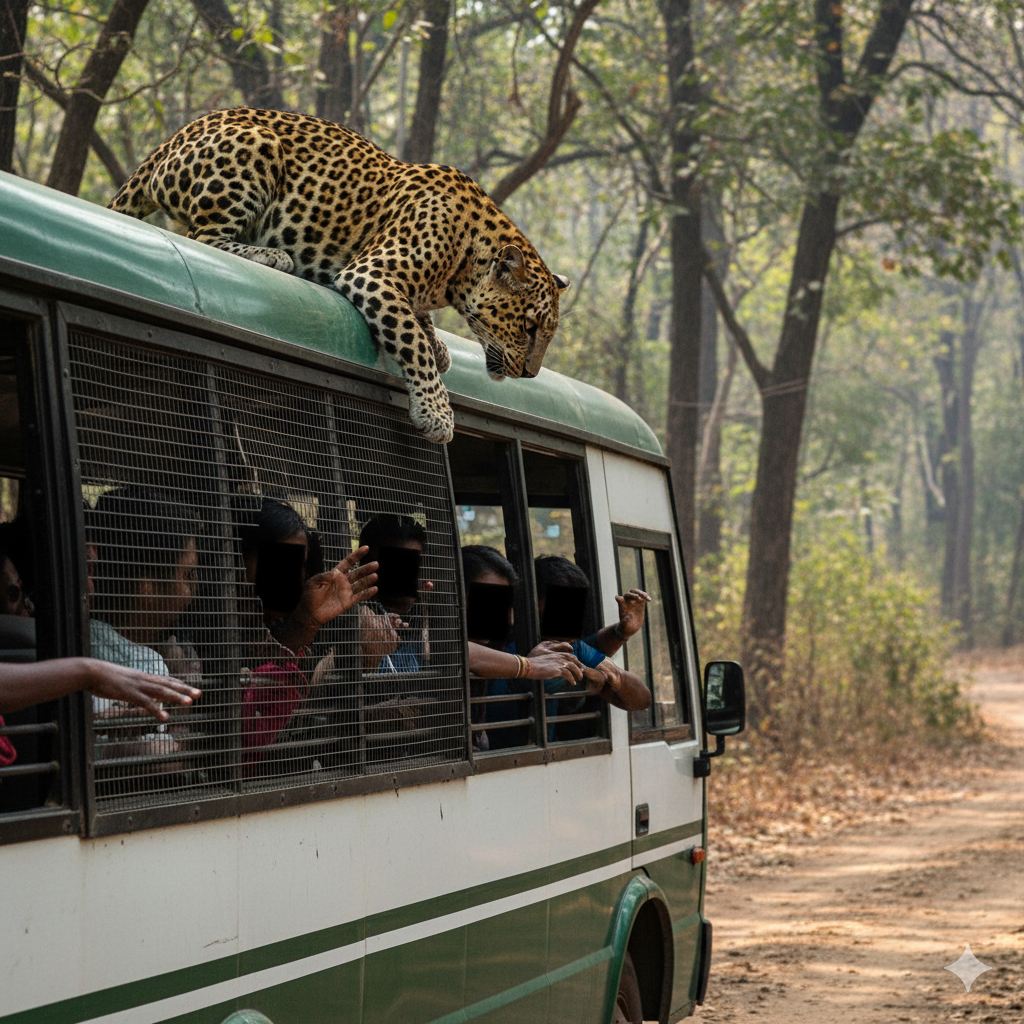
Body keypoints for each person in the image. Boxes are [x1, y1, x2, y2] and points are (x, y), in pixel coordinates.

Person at [235, 497, 379, 769]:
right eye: (276, 561)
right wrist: (304, 625)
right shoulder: (206, 635)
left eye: (295, 564)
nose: (290, 576)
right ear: (236, 559)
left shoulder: (278, 628)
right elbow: (245, 738)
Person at [357, 513, 433, 673]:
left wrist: (427, 612)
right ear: (366, 564)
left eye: (411, 563)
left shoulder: (431, 612)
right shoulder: (354, 614)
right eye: (395, 563)